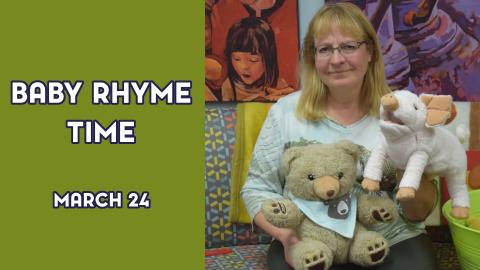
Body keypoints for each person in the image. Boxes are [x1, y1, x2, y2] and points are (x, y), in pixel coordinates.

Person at [240, 3, 438, 270]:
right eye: (325, 49)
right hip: (310, 240)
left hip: (389, 239)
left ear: (369, 52)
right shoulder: (286, 112)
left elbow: (419, 212)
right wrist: (287, 239)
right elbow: (256, 189)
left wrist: (409, 162)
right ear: (313, 58)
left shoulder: (403, 112)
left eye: (348, 46)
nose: (336, 60)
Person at [222, 16, 295, 101]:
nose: (244, 66)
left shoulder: (279, 85)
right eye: (237, 59)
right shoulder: (229, 86)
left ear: (268, 59)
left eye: (253, 60)